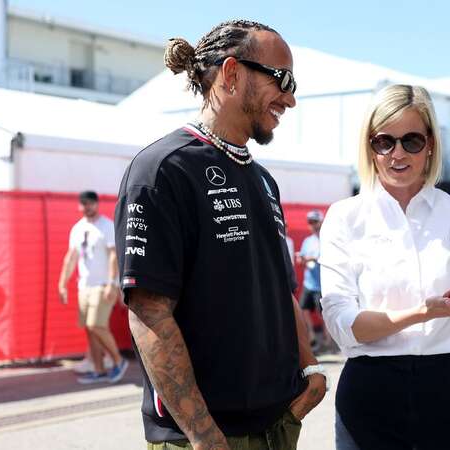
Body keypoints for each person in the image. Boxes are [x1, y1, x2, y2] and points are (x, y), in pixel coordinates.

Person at [114, 21, 325, 450]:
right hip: (202, 438)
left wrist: (310, 370)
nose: (290, 97)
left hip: (276, 425)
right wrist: (204, 436)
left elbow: (282, 290)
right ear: (231, 74)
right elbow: (149, 313)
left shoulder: (263, 180)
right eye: (281, 79)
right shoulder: (162, 170)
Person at [320, 84, 450, 450]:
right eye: (384, 141)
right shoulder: (345, 217)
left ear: (430, 143)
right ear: (370, 146)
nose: (397, 153)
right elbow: (343, 325)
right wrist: (422, 314)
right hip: (370, 395)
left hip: (449, 391)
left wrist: (443, 359)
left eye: (411, 141)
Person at [57, 191, 129, 384]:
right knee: (90, 329)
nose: (86, 207)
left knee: (96, 325)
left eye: (89, 203)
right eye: (83, 204)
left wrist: (112, 283)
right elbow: (71, 257)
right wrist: (62, 283)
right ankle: (98, 369)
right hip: (85, 286)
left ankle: (118, 361)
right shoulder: (78, 228)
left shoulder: (106, 226)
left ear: (96, 204)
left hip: (103, 285)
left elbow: (114, 255)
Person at [296, 209, 332, 352]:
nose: (312, 225)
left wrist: (311, 259)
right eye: (310, 222)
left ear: (321, 222)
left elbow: (326, 258)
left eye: (315, 221)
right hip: (309, 283)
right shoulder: (308, 241)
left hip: (322, 284)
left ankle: (327, 339)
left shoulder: (327, 238)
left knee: (323, 313)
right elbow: (301, 258)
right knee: (303, 309)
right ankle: (312, 335)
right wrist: (301, 260)